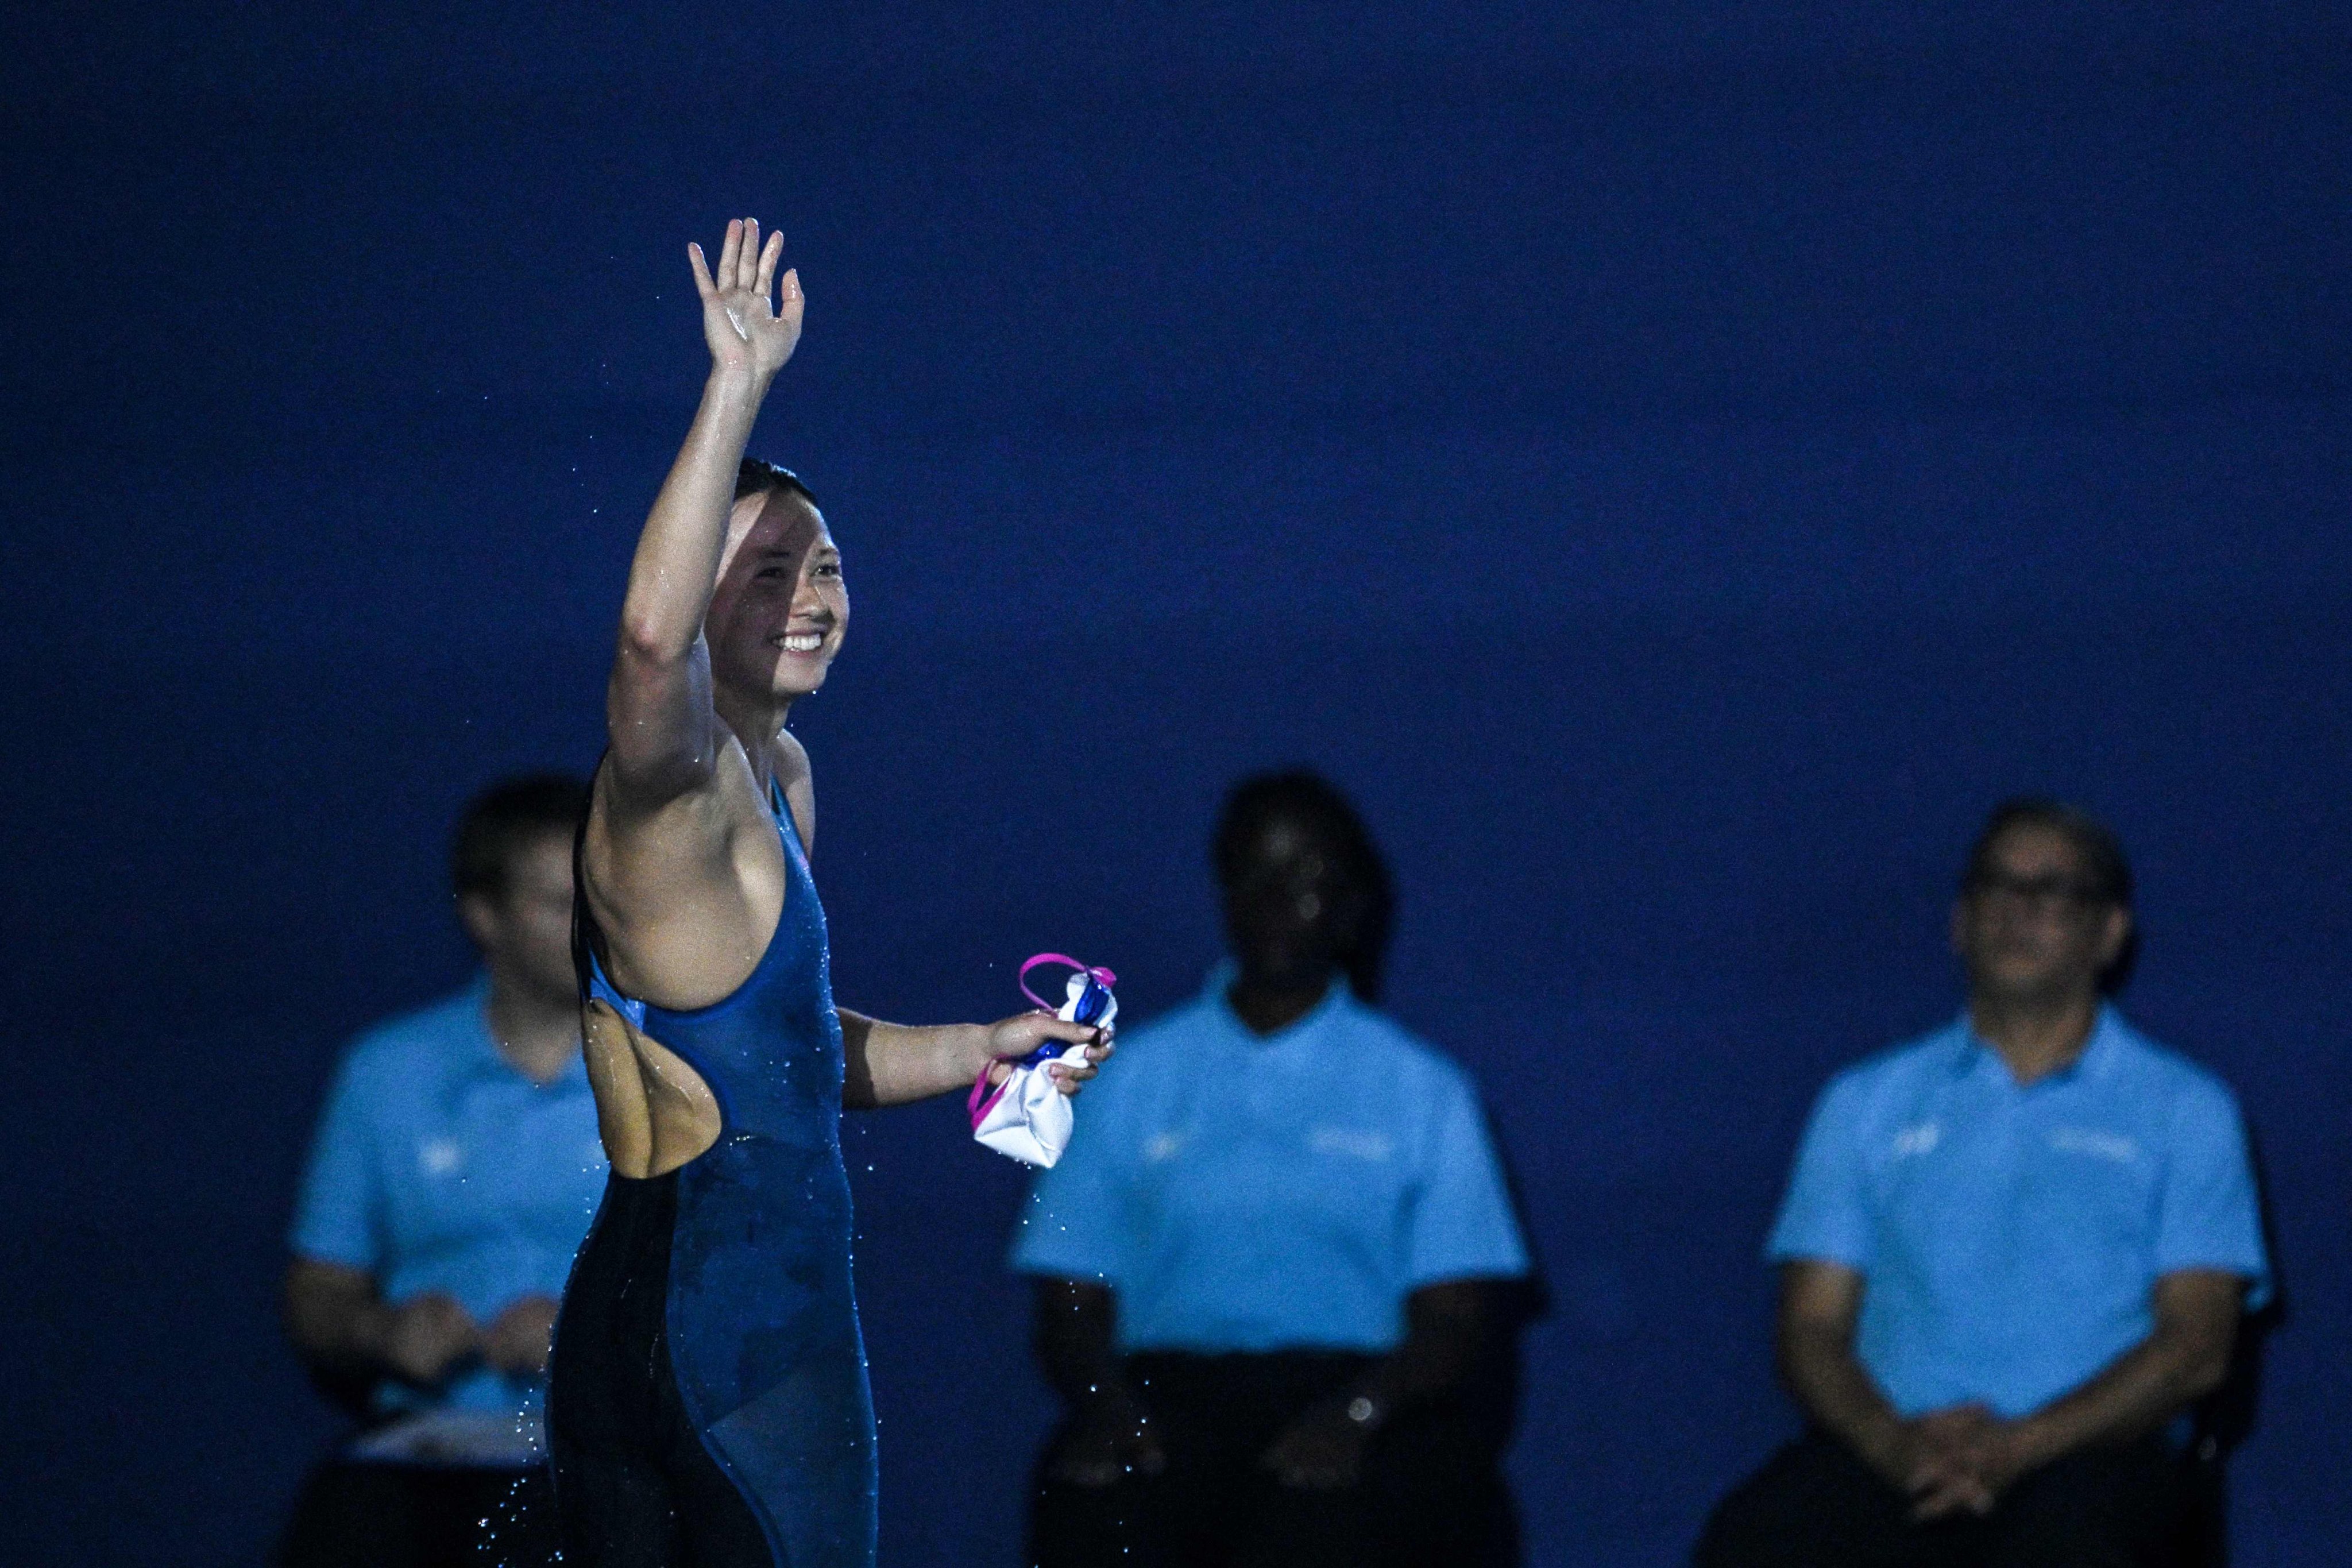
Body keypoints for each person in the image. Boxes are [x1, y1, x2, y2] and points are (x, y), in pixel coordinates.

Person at [546, 218, 1113, 1568]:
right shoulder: (670, 783)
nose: (808, 598)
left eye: (825, 567)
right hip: (736, 1341)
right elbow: (644, 638)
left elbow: (785, 1059)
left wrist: (978, 1052)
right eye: (764, 574)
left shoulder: (777, 773)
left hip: (673, 1315)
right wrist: (733, 386)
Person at [1694, 799, 2272, 1568]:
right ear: (1958, 921)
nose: (2020, 910)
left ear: (2110, 934)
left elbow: (2196, 1346)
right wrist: (1899, 1447)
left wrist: (2019, 1446)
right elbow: (1810, 1329)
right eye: (1997, 886)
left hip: (2090, 1458)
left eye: (2055, 891)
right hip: (1891, 1454)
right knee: (1751, 1540)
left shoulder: (2188, 1110)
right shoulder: (1864, 1101)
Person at [1013, 770, 1537, 1568]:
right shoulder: (1130, 1077)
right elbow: (1071, 1292)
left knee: (1331, 1526)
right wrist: (1108, 1407)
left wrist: (1358, 1414)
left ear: (1353, 907)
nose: (1279, 900)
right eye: (1257, 874)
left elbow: (1456, 1315)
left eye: (1309, 879)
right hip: (1170, 1397)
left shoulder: (1421, 1088)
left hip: (1365, 1392)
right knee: (1094, 1510)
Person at [279, 773, 601, 1568]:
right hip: (421, 1454)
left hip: (604, 1448)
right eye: (562, 904)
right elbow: (320, 1286)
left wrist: (594, 1337)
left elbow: (733, 1289)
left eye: (604, 894)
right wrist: (382, 1329)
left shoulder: (671, 1072)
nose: (592, 924)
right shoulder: (387, 1071)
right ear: (483, 914)